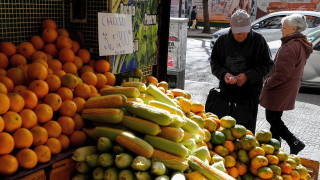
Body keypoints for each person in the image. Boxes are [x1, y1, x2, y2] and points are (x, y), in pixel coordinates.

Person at [209, 9, 274, 134]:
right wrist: (224, 75)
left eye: (244, 33)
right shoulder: (222, 41)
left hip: (250, 95)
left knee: (246, 132)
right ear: (230, 27)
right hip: (226, 93)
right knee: (224, 131)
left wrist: (247, 76)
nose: (241, 36)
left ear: (250, 26)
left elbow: (268, 65)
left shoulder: (258, 40)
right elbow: (214, 63)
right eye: (237, 33)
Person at [259, 14, 313, 155]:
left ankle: (294, 142)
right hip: (287, 87)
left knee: (272, 118)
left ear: (293, 28)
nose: (281, 30)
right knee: (275, 119)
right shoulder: (298, 43)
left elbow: (282, 73)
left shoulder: (290, 46)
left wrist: (268, 83)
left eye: (284, 27)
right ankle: (274, 150)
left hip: (279, 88)